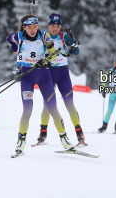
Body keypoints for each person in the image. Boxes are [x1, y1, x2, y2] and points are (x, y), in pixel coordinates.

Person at [6, 15, 75, 157]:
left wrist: (45, 59)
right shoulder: (18, 37)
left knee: (53, 108)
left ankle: (65, 140)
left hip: (44, 76)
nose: (32, 30)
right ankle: (21, 142)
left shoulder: (45, 36)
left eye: (35, 27)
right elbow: (9, 39)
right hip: (27, 77)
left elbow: (53, 54)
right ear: (24, 27)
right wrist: (17, 57)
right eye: (29, 27)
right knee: (27, 109)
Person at [35, 13, 86, 146]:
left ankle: (79, 133)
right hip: (49, 74)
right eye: (52, 26)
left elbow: (77, 52)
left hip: (63, 74)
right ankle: (43, 133)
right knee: (47, 105)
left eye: (57, 26)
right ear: (49, 25)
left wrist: (71, 39)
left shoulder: (64, 37)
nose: (55, 28)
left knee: (69, 104)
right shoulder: (44, 37)